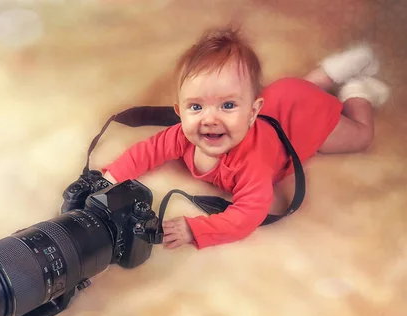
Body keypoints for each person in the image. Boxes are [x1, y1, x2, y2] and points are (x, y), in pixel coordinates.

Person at [101, 27, 389, 250]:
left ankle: (357, 89)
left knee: (360, 136)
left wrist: (195, 229)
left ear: (253, 112)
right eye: (196, 107)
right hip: (283, 95)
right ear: (179, 112)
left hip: (303, 118)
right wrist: (110, 179)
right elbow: (146, 151)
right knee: (300, 87)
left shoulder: (253, 165)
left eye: (227, 106)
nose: (210, 119)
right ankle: (327, 73)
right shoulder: (182, 135)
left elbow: (247, 215)